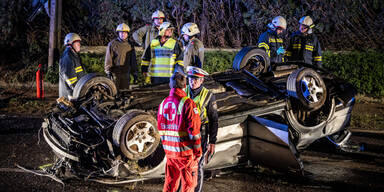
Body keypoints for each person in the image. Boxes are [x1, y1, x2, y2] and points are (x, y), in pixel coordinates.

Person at [157, 71, 202, 192]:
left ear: (170, 85)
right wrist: (198, 152)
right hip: (186, 155)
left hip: (170, 154)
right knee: (188, 186)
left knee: (170, 185)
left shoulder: (162, 104)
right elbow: (194, 132)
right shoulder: (188, 103)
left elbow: (161, 129)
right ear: (185, 85)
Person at [185, 66, 218, 192]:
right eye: (190, 79)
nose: (192, 82)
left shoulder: (208, 96)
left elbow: (214, 119)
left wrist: (213, 141)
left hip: (201, 133)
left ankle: (196, 190)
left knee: (197, 165)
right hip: (185, 133)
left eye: (195, 80)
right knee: (185, 164)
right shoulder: (184, 91)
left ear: (202, 81)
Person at [104, 23, 138, 90]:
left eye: (125, 33)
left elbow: (133, 60)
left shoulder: (130, 45)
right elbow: (108, 59)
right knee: (114, 91)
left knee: (125, 92)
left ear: (127, 33)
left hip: (126, 73)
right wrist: (108, 71)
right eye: (121, 32)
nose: (123, 34)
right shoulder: (112, 44)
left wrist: (134, 72)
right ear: (118, 33)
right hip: (115, 73)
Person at [59, 33, 86, 100]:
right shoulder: (67, 56)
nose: (79, 44)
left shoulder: (74, 55)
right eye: (77, 43)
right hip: (70, 94)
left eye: (79, 42)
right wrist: (78, 90)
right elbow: (69, 77)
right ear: (70, 44)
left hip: (76, 91)